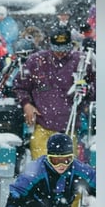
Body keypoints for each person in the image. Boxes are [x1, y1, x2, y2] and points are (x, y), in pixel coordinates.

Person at [12, 25, 84, 160]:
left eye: (65, 49)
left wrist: (86, 90)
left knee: (65, 171)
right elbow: (19, 86)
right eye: (57, 49)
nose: (61, 53)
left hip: (68, 128)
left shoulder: (81, 62)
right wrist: (26, 104)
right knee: (41, 169)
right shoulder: (36, 61)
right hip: (42, 127)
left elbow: (95, 89)